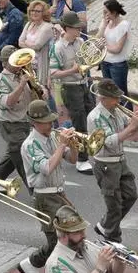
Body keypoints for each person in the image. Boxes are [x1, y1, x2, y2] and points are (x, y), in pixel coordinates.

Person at [17, 99, 76, 273]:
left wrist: (73, 144)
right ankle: (31, 263)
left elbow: (72, 160)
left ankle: (54, 268)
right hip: (44, 196)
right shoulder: (29, 145)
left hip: (59, 194)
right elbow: (47, 167)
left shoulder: (52, 137)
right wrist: (61, 146)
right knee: (56, 240)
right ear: (35, 122)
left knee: (69, 235)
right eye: (47, 121)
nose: (51, 124)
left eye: (51, 120)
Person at [87, 79, 138, 243]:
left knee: (131, 195)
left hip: (120, 161)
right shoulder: (96, 117)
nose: (118, 101)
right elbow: (110, 141)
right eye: (114, 98)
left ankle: (105, 225)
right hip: (106, 164)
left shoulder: (116, 110)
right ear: (103, 98)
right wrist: (132, 127)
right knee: (114, 204)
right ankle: (111, 237)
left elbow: (129, 126)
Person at [44, 204, 125, 273]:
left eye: (83, 230)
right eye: (78, 232)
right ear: (64, 235)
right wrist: (99, 269)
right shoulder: (56, 264)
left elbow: (114, 272)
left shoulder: (86, 247)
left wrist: (120, 260)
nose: (84, 235)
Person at [50, 11, 95, 173]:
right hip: (69, 87)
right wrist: (73, 70)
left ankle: (66, 133)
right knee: (80, 122)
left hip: (83, 84)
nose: (79, 30)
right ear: (67, 28)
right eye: (76, 28)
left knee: (90, 117)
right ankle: (81, 160)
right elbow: (53, 73)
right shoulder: (58, 47)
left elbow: (87, 60)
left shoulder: (80, 41)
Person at [0, 45, 33, 188]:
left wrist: (40, 90)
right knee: (22, 157)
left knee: (13, 154)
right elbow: (8, 102)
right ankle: (35, 189)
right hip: (11, 123)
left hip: (25, 121)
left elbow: (33, 97)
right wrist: (21, 85)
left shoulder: (23, 74)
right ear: (4, 62)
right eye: (14, 60)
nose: (19, 63)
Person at [18, 1, 54, 92]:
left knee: (43, 91)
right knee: (32, 91)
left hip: (41, 64)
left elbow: (37, 46)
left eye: (38, 11)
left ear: (44, 13)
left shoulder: (47, 27)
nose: (34, 13)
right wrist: (28, 45)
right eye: (32, 10)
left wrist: (25, 43)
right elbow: (19, 42)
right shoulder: (29, 24)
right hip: (28, 63)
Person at [99, 0, 131, 94]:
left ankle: (127, 109)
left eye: (106, 12)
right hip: (105, 62)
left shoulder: (123, 25)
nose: (104, 14)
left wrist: (104, 45)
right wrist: (104, 26)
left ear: (114, 12)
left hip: (117, 65)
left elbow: (117, 49)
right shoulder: (105, 22)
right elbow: (97, 38)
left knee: (120, 94)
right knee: (109, 93)